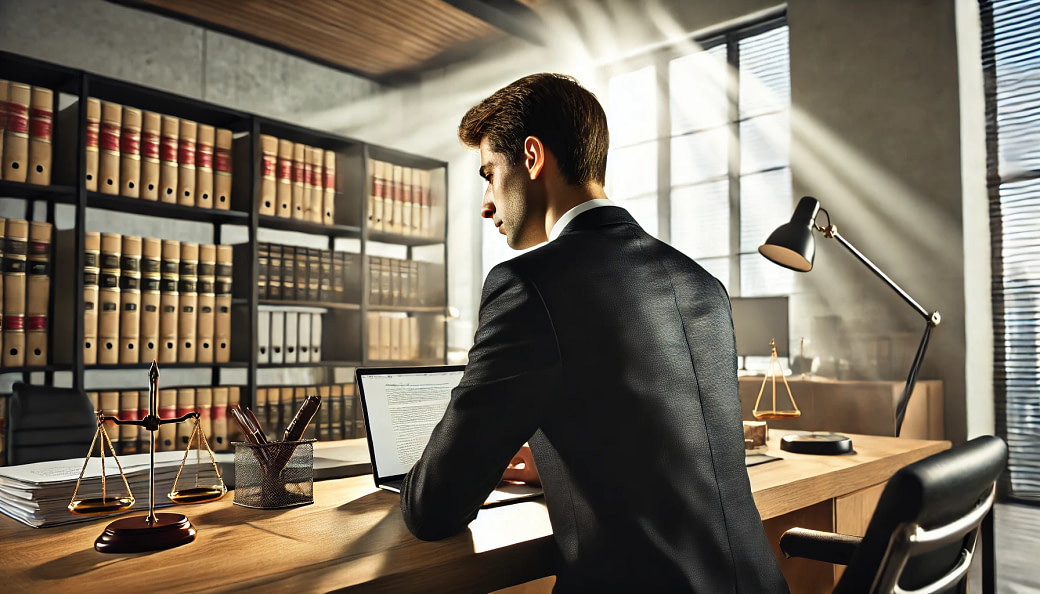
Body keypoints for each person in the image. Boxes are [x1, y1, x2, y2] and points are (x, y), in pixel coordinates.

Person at [400, 73, 788, 593]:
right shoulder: (702, 283)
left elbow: (434, 509)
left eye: (489, 174)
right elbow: (670, 442)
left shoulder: (528, 287)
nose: (488, 203)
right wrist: (562, 461)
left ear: (533, 158)